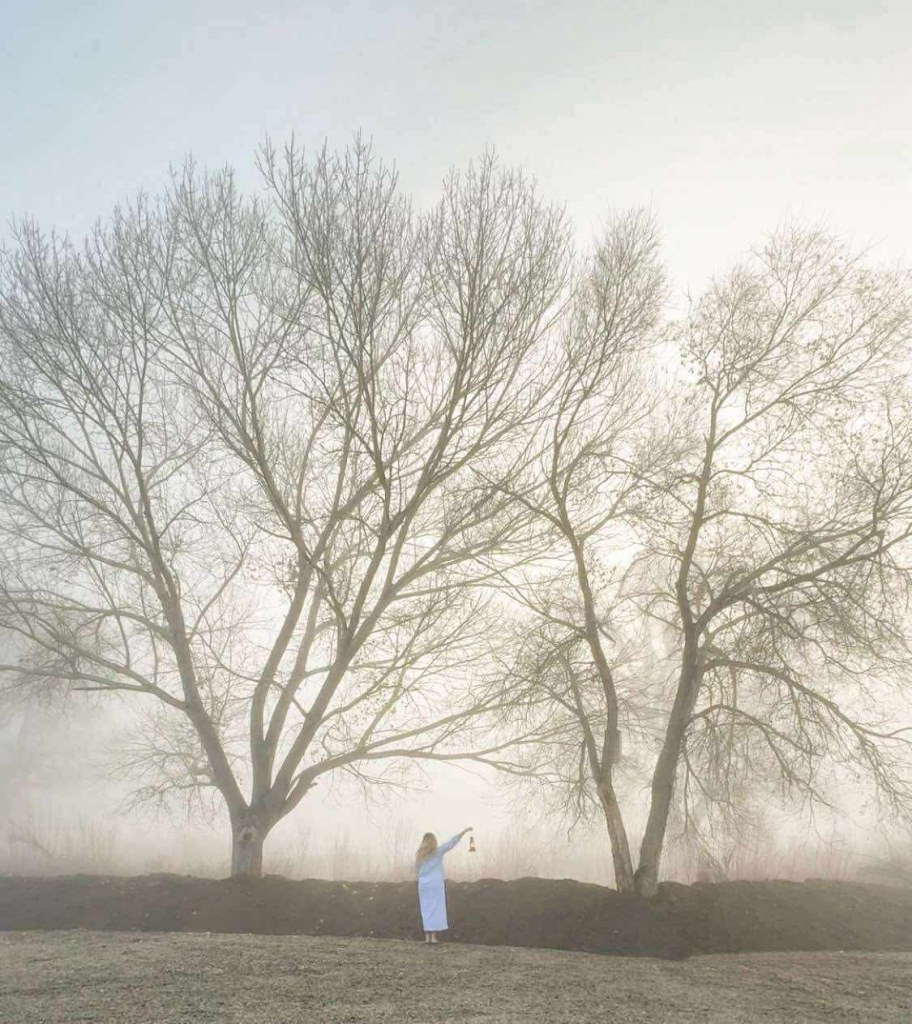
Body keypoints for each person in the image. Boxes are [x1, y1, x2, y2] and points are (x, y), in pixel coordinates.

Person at [415, 827, 472, 943]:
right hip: (435, 885)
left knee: (426, 910)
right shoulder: (437, 852)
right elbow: (450, 844)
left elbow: (417, 870)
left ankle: (427, 938)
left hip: (423, 886)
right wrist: (463, 832)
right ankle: (433, 937)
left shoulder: (419, 855)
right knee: (435, 909)